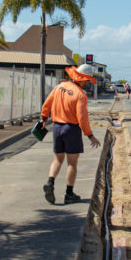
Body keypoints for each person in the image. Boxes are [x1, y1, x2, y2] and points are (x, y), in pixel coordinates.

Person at [39, 64, 101, 204]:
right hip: (71, 129)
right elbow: (82, 118)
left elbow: (46, 105)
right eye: (87, 80)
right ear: (82, 79)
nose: (88, 83)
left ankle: (50, 182)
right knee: (72, 164)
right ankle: (69, 194)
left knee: (58, 159)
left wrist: (43, 118)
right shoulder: (80, 95)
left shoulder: (59, 87)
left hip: (56, 128)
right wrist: (90, 135)